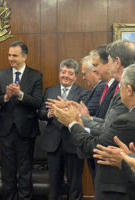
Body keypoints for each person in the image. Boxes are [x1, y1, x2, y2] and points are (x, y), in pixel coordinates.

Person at [53, 64, 135, 200]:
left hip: (118, 189)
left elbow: (96, 146)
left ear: (129, 90)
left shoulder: (126, 120)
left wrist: (72, 123)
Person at [0, 41, 42, 200]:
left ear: (24, 56)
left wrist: (20, 94)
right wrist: (6, 96)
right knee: (7, 172)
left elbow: (38, 102)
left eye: (14, 55)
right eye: (9, 55)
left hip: (26, 130)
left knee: (25, 171)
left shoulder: (36, 75)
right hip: (6, 130)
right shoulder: (1, 74)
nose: (11, 58)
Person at [38, 59, 89, 200]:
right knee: (54, 184)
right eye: (63, 72)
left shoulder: (83, 93)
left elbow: (82, 115)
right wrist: (49, 113)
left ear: (75, 77)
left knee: (75, 183)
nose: (65, 75)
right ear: (59, 73)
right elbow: (41, 112)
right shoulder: (50, 90)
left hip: (73, 142)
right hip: (53, 143)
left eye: (70, 73)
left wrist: (62, 109)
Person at [90, 45, 119, 119]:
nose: (93, 70)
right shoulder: (107, 86)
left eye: (95, 65)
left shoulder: (118, 87)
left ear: (108, 64)